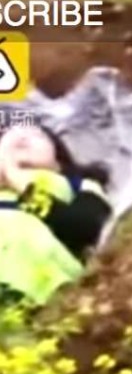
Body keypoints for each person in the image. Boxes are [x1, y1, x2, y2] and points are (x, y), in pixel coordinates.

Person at [0, 123, 110, 305]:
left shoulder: (77, 186)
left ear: (58, 158)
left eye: (35, 134)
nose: (20, 137)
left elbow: (85, 228)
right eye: (4, 141)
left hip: (39, 289)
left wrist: (16, 179)